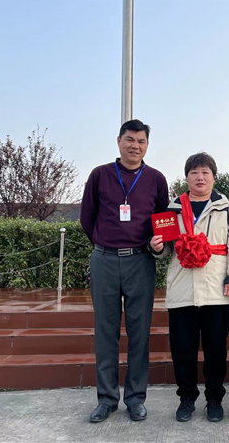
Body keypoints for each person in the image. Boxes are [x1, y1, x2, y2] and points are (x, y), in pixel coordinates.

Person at [80, 119, 169, 423]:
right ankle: (106, 399)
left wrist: (155, 246)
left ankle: (135, 398)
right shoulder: (100, 175)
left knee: (139, 333)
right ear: (118, 141)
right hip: (104, 260)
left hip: (140, 262)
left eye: (141, 141)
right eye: (130, 139)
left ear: (147, 145)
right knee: (105, 332)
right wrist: (104, 244)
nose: (135, 146)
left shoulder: (156, 179)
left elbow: (162, 220)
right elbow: (87, 217)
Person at [149, 152, 229, 423]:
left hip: (217, 290)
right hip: (182, 290)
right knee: (183, 349)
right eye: (194, 172)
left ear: (214, 177)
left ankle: (214, 399)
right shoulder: (172, 210)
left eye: (205, 172)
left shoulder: (227, 208)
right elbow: (165, 249)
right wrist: (156, 247)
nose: (200, 177)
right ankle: (187, 398)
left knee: (216, 349)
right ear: (187, 178)